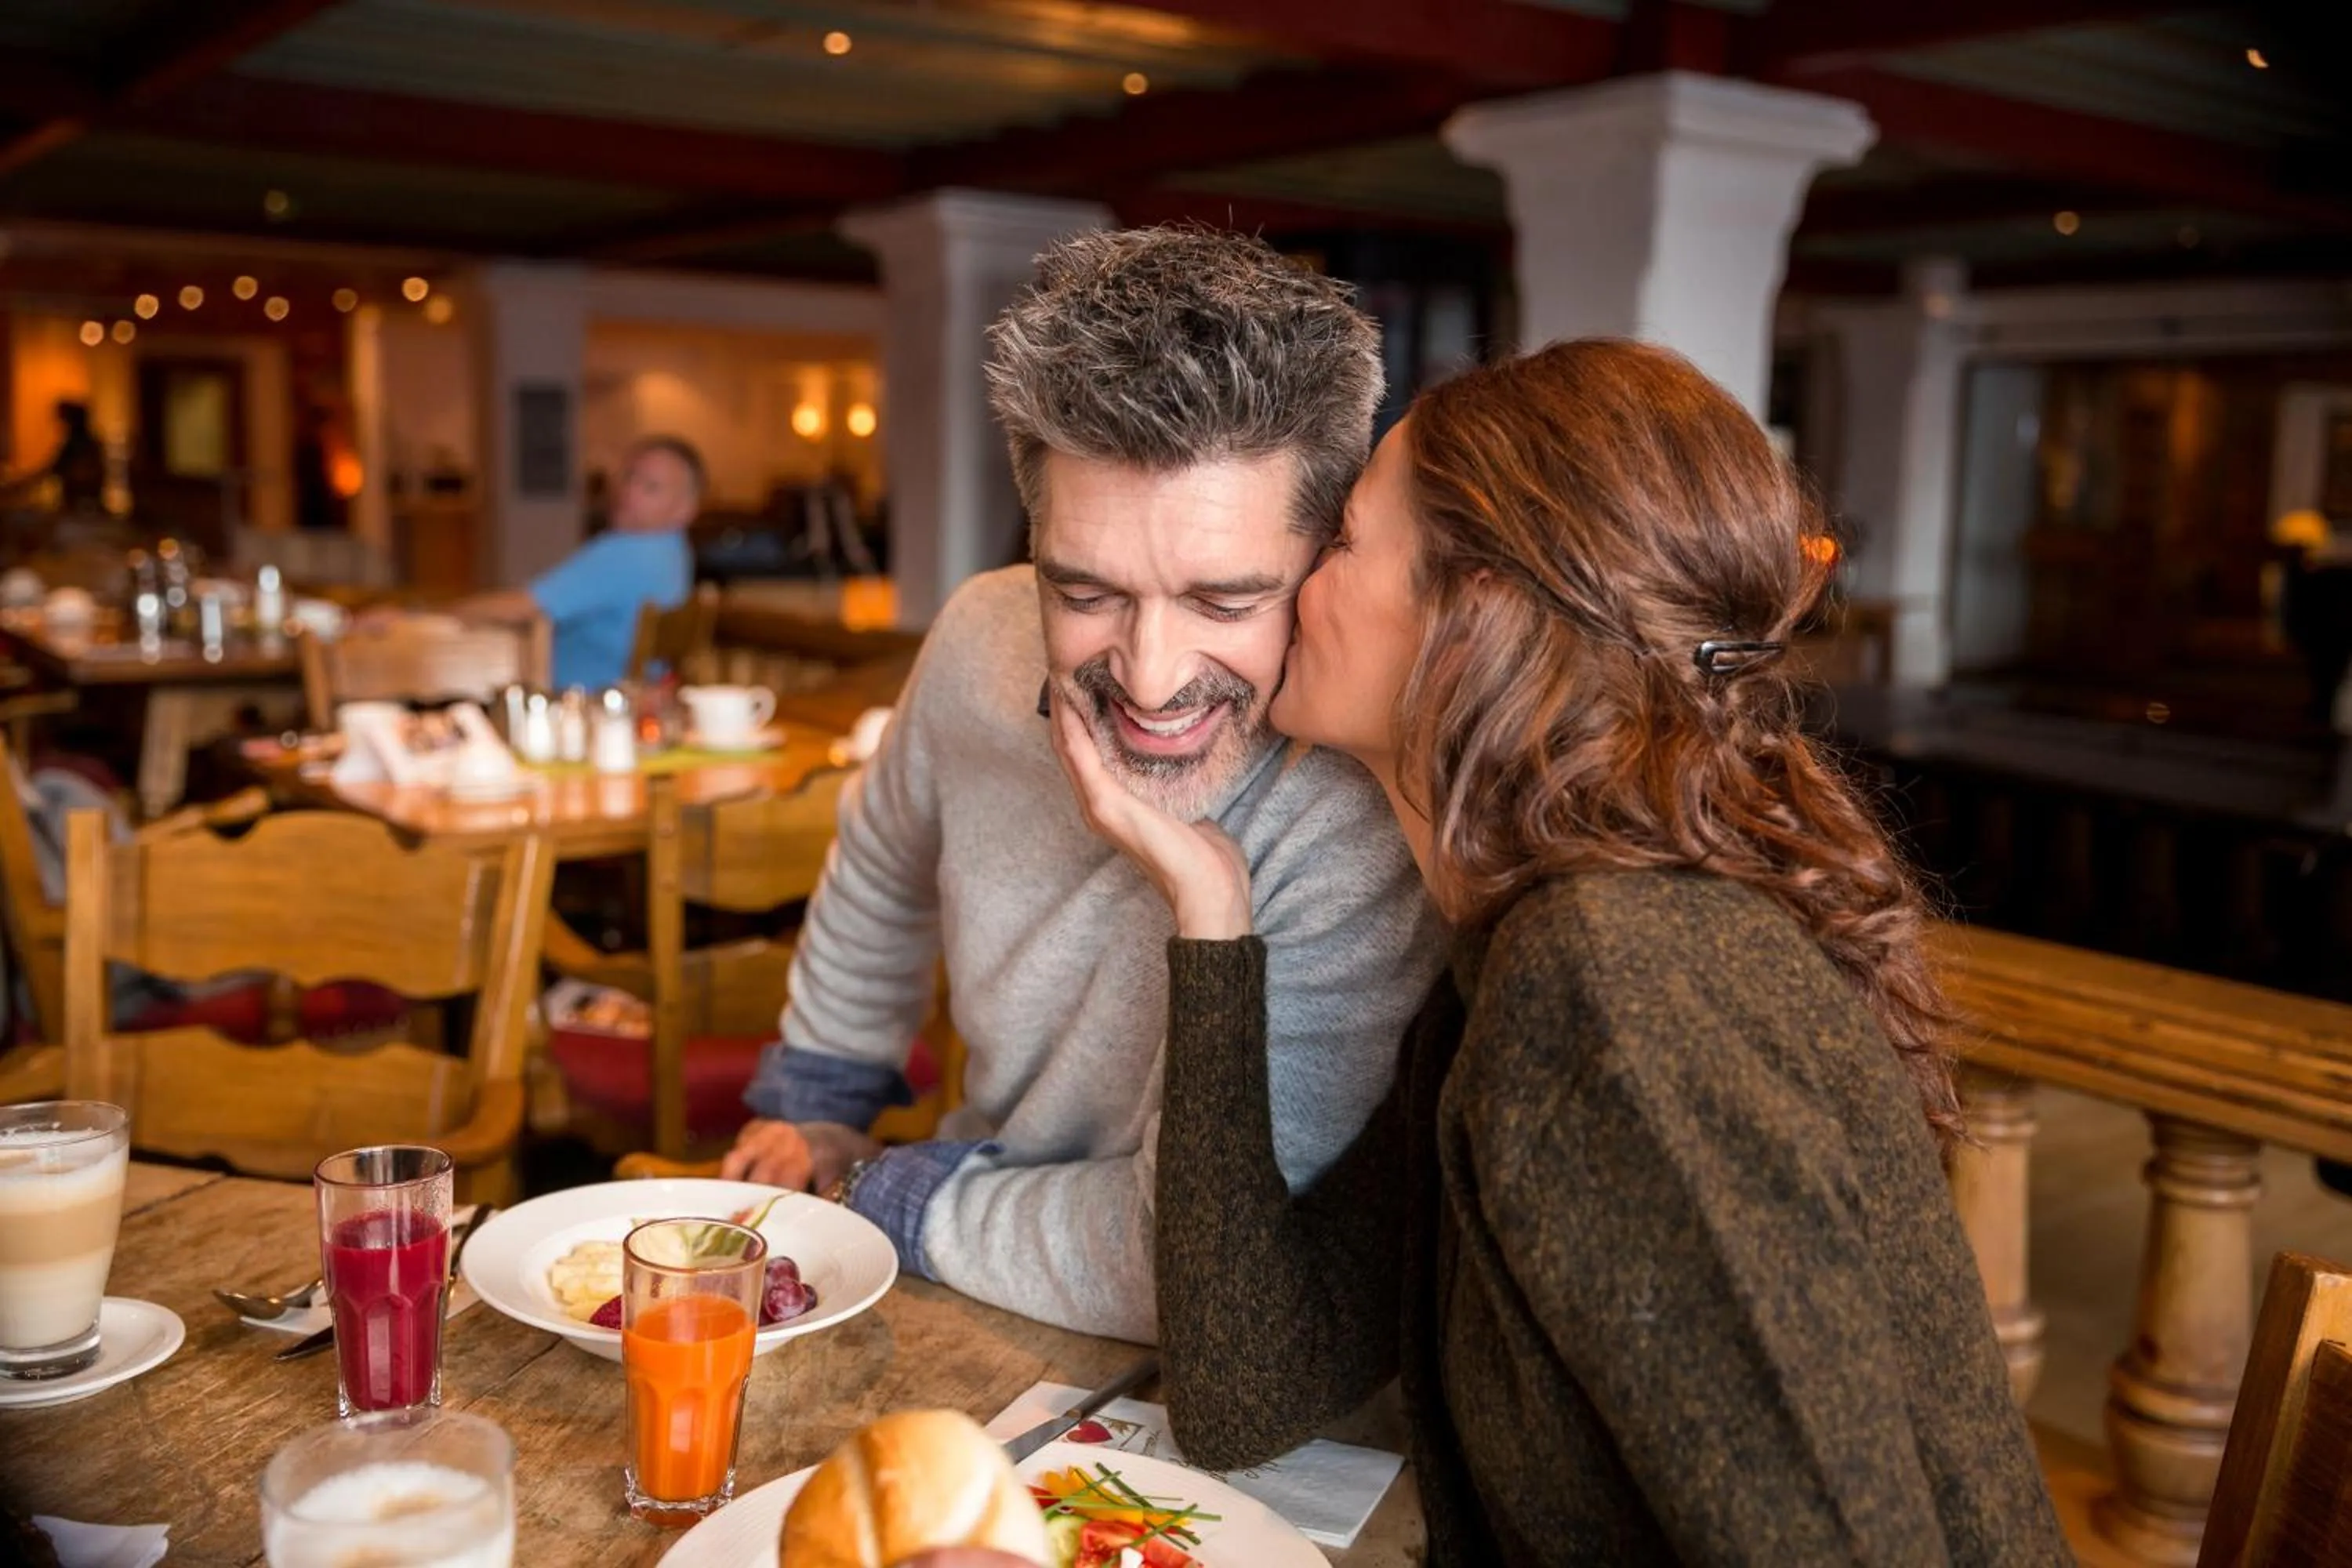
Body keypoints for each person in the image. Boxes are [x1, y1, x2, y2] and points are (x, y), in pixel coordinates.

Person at [1058, 339, 2068, 1562]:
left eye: (1346, 541)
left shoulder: (1615, 987)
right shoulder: (1514, 957)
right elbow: (1246, 1388)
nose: (1299, 583)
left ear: (1470, 615)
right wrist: (1214, 913)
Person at [718, 227, 1443, 1343]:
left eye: (1224, 601)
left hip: (1212, 1375)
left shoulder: (1366, 804)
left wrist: (886, 1193)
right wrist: (821, 1105)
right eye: (1087, 593)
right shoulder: (979, 634)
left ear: (1325, 560)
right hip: (969, 1288)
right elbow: (882, 861)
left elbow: (1203, 1262)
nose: (1150, 678)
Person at [437, 435, 699, 689]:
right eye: (630, 476)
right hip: (634, 692)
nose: (629, 492)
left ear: (684, 509)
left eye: (651, 488)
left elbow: (523, 607)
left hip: (578, 700)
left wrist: (439, 615)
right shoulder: (674, 551)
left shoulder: (626, 552)